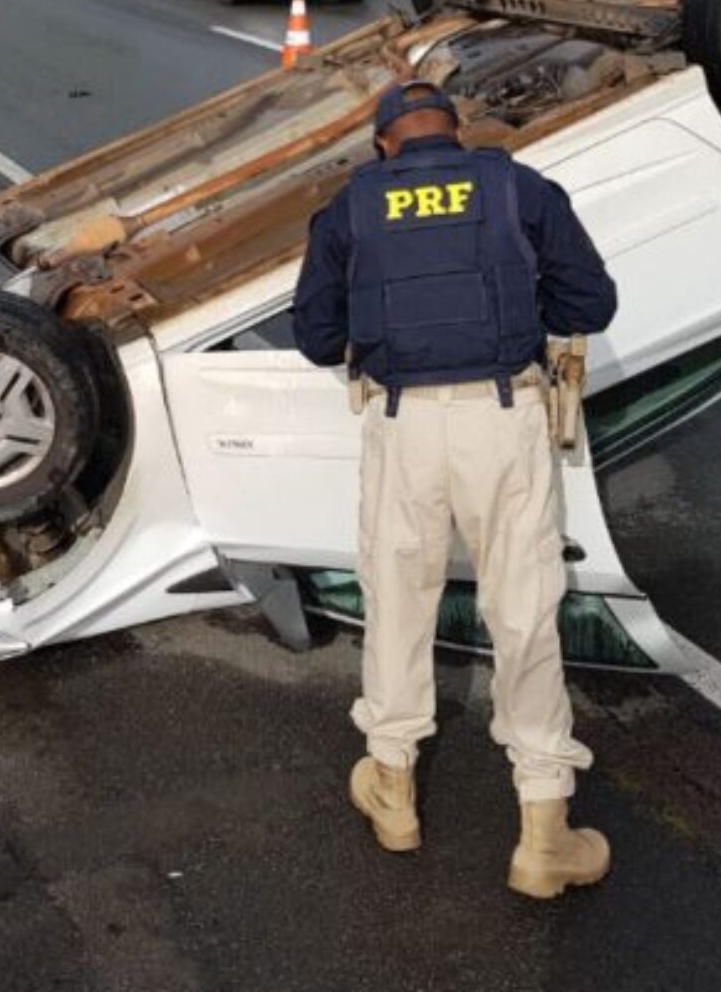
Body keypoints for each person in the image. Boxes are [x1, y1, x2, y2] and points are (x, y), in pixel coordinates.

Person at [292, 79, 618, 899]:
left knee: (398, 602)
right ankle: (544, 829)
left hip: (403, 427)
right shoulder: (518, 188)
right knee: (524, 610)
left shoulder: (352, 206)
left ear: (383, 145)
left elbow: (317, 336)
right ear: (457, 135)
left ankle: (393, 787)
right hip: (504, 419)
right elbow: (592, 301)